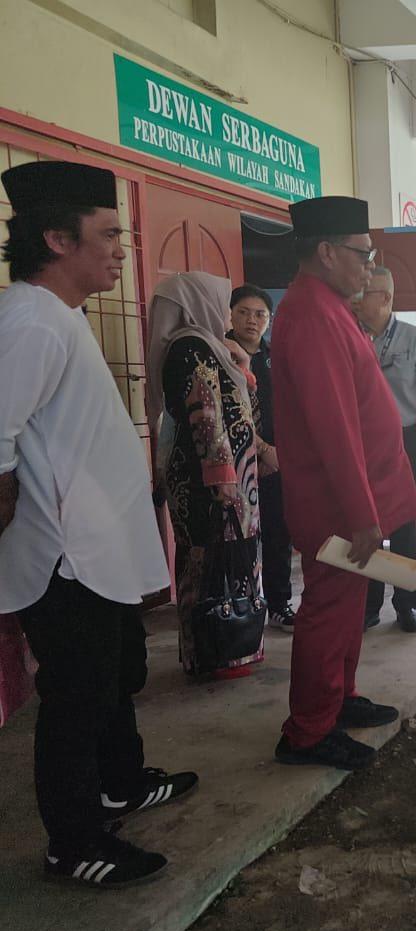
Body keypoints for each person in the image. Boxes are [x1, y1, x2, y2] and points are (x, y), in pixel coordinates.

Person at [0, 160, 196, 887]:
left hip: (96, 546)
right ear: (57, 239)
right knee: (76, 697)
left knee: (117, 675)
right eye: (109, 234)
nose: (122, 250)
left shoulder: (59, 315)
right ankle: (75, 841)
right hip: (65, 555)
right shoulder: (29, 320)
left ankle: (120, 784)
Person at [271, 196, 416, 771]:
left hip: (354, 499)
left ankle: (339, 697)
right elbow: (334, 428)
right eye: (363, 254)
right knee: (328, 609)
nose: (369, 266)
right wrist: (361, 514)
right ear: (327, 252)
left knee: (349, 605)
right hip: (336, 504)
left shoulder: (330, 307)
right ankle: (308, 731)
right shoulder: (312, 314)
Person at [147, 272, 265, 680]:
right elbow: (207, 415)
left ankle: (227, 648)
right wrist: (223, 479)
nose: (227, 313)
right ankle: (219, 654)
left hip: (223, 473)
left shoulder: (209, 345)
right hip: (212, 479)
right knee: (213, 558)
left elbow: (238, 403)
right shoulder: (191, 346)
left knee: (221, 556)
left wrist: (242, 364)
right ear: (200, 303)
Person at [353, 266, 416, 633]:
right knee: (367, 521)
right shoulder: (350, 335)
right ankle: (369, 604)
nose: (358, 299)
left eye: (366, 293)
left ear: (387, 298)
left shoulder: (413, 338)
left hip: (406, 439)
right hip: (362, 442)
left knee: (403, 525)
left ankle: (407, 605)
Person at [227, 283, 294, 632]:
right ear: (230, 315)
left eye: (260, 314)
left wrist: (275, 453)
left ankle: (279, 604)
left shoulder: (275, 357)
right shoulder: (219, 353)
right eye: (243, 312)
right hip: (234, 462)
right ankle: (243, 607)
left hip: (276, 461)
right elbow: (228, 413)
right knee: (239, 538)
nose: (251, 320)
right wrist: (263, 451)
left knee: (278, 533)